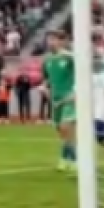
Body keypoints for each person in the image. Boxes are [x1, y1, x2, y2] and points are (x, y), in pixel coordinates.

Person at [42, 30, 76, 171]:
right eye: (48, 40)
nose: (50, 42)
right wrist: (46, 90)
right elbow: (47, 80)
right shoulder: (47, 60)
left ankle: (74, 160)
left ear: (61, 41)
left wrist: (76, 92)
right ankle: (65, 158)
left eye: (53, 39)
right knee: (61, 132)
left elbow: (82, 72)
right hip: (55, 99)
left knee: (65, 126)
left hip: (69, 97)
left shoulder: (70, 57)